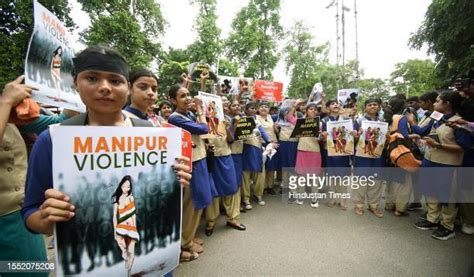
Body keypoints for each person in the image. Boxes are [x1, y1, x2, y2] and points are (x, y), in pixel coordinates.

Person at [21, 46, 191, 265]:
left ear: (127, 87)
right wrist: (45, 219)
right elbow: (30, 212)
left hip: (153, 261)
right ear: (76, 83)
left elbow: (165, 193)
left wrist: (177, 181)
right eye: (92, 78)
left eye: (115, 80)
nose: (104, 88)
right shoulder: (53, 140)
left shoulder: (153, 135)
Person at [0, 76, 49, 274]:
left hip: (14, 219)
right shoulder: (6, 103)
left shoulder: (12, 112)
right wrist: (6, 101)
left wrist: (64, 92)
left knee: (32, 271)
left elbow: (62, 121)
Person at [414, 90, 471, 240]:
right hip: (430, 159)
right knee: (430, 189)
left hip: (447, 163)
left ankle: (447, 225)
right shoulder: (437, 118)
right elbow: (425, 132)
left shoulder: (459, 122)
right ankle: (432, 219)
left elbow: (463, 147)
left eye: (438, 101)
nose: (434, 103)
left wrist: (439, 146)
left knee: (448, 195)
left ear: (447, 104)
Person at [168, 83, 214, 261]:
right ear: (173, 100)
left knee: (198, 200)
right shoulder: (175, 118)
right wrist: (201, 109)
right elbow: (203, 128)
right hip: (191, 163)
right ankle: (184, 243)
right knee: (192, 203)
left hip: (199, 159)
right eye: (182, 96)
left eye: (188, 94)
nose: (187, 98)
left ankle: (190, 235)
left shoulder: (188, 114)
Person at [353, 98, 385, 217]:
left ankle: (374, 206)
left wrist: (388, 134)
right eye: (370, 105)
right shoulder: (359, 121)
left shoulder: (383, 121)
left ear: (379, 106)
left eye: (375, 104)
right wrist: (357, 135)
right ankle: (359, 205)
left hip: (377, 155)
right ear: (365, 108)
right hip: (362, 155)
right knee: (361, 180)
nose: (372, 106)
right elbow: (352, 138)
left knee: (376, 181)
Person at [294, 102, 322, 207]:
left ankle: (314, 198)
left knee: (314, 175)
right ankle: (300, 196)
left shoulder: (320, 123)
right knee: (301, 174)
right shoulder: (300, 122)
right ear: (306, 111)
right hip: (302, 149)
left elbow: (320, 139)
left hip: (314, 150)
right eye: (311, 109)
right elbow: (296, 136)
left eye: (315, 109)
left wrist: (321, 135)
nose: (313, 111)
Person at [112, 175, 139, 271]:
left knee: (131, 250)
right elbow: (114, 216)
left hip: (131, 226)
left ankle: (129, 271)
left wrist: (135, 228)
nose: (126, 189)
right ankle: (125, 255)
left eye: (128, 187)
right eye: (124, 186)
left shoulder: (131, 198)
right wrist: (115, 230)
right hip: (121, 226)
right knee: (123, 248)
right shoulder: (117, 199)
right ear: (120, 186)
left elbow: (133, 215)